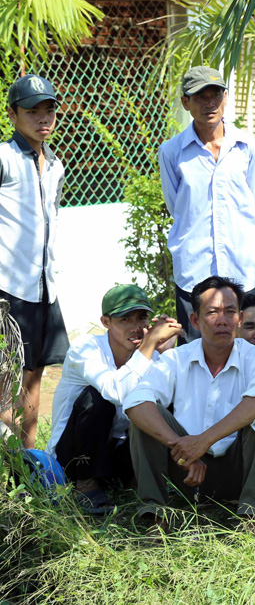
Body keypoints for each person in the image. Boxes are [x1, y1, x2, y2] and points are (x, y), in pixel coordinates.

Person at [123, 276, 255, 529]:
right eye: (212, 312)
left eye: (230, 312)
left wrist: (203, 440)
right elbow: (136, 400)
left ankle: (252, 516)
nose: (222, 320)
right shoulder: (176, 358)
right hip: (187, 472)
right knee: (146, 417)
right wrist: (185, 450)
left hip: (240, 471)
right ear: (195, 320)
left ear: (239, 318)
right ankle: (157, 516)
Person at [47, 284, 182, 513]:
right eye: (125, 319)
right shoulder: (86, 348)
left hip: (115, 450)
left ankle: (134, 480)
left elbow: (169, 395)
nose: (136, 327)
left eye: (141, 318)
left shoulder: (149, 354)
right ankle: (85, 485)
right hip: (72, 455)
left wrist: (164, 352)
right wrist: (150, 346)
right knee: (97, 399)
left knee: (158, 402)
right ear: (106, 322)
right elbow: (115, 391)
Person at [159, 66, 255, 343]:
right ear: (185, 102)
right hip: (194, 269)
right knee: (197, 354)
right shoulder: (172, 152)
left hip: (243, 267)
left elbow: (254, 206)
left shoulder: (247, 146)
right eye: (200, 97)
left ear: (225, 98)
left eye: (215, 95)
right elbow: (178, 207)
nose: (209, 104)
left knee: (250, 352)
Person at [0, 75, 70, 449]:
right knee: (5, 384)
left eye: (49, 110)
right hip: (10, 289)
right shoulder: (4, 158)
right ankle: (9, 465)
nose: (43, 118)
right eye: (32, 111)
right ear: (12, 115)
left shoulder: (55, 164)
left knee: (34, 378)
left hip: (44, 287)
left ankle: (30, 461)